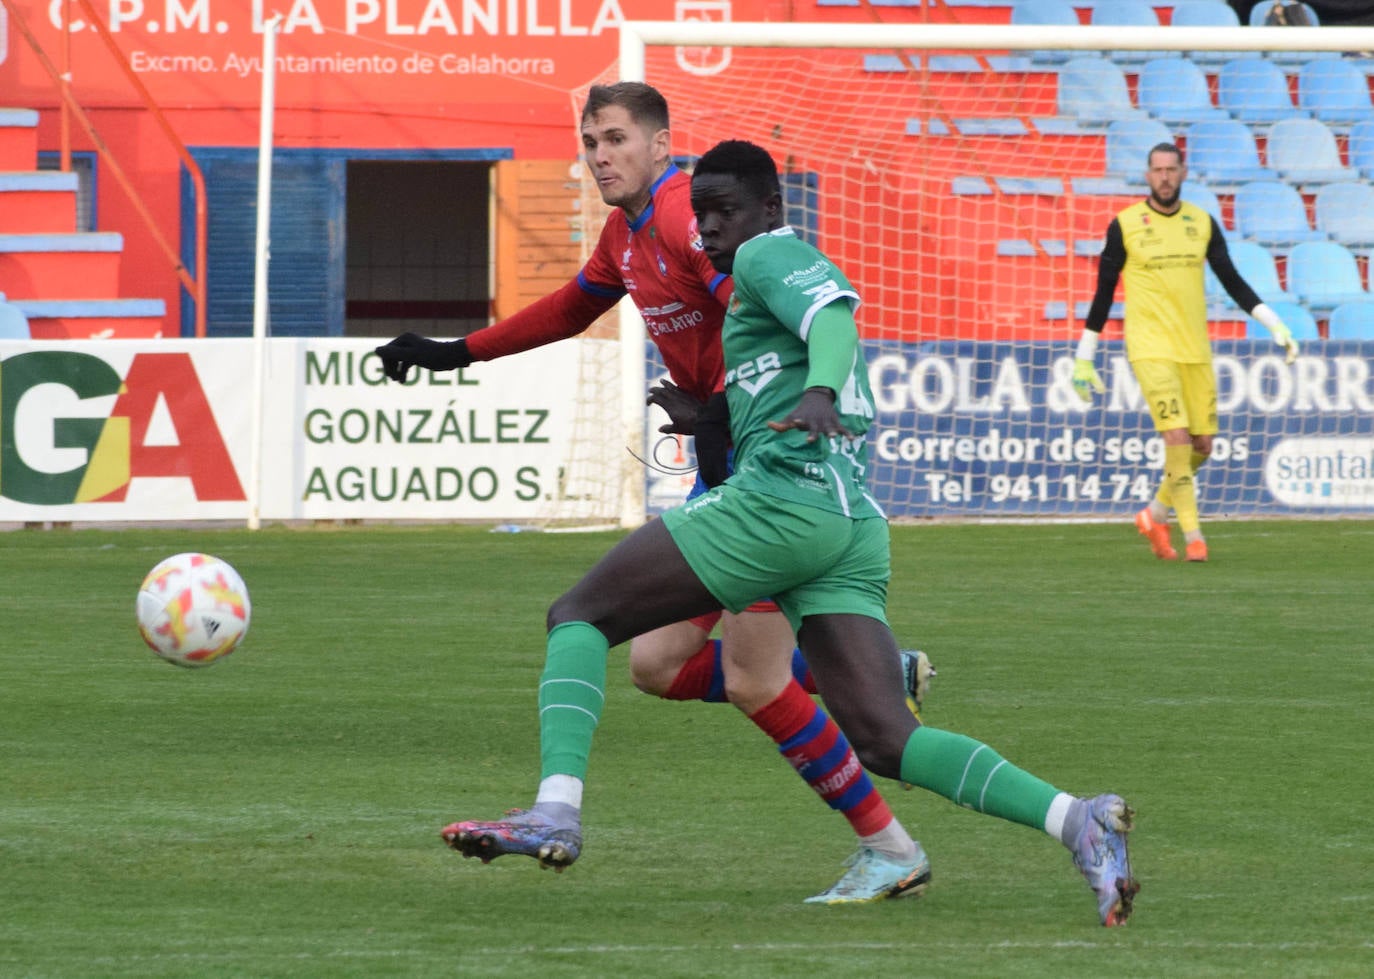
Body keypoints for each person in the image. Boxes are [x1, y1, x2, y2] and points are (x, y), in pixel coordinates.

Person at [418, 139, 1140, 927]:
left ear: (770, 208)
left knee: (580, 615)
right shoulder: (742, 279)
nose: (712, 228)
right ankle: (1078, 818)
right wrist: (715, 416)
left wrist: (825, 387)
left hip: (777, 507)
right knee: (885, 738)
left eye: (726, 211)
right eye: (703, 215)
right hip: (847, 521)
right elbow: (784, 364)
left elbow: (832, 318)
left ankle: (554, 809)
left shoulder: (770, 253)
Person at [374, 82, 931, 903]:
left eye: (615, 139)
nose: (599, 154)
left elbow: (759, 304)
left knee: (719, 668)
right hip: (727, 459)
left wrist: (733, 404)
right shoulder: (622, 234)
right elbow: (570, 309)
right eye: (590, 140)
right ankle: (861, 687)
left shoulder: (682, 215)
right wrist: (460, 353)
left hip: (765, 464)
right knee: (660, 664)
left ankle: (887, 828)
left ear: (661, 146)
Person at [1072, 142, 1299, 563]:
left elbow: (1231, 279)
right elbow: (1104, 290)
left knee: (1202, 445)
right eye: (1157, 170)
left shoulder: (1202, 222)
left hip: (1194, 348)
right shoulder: (1125, 225)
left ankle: (1155, 513)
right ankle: (1195, 536)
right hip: (1150, 347)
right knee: (1175, 436)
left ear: (1182, 172)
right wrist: (1084, 355)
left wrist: (1275, 324)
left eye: (1170, 170)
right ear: (1147, 175)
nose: (1164, 177)